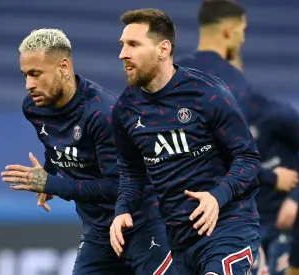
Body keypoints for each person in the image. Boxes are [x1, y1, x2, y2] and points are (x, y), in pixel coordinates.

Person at [1, 28, 174, 275]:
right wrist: (48, 172)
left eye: (36, 74)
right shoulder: (33, 108)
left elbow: (118, 186)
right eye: (25, 75)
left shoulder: (102, 114)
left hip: (142, 224)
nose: (29, 85)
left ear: (63, 67)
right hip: (97, 232)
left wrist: (53, 184)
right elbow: (55, 144)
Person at [109, 8, 261, 274]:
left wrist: (217, 196)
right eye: (122, 45)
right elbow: (132, 171)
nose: (123, 54)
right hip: (179, 240)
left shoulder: (208, 93)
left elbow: (248, 158)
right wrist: (122, 209)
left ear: (163, 49)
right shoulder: (125, 110)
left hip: (228, 227)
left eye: (133, 44)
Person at [175, 1, 299, 273]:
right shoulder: (229, 94)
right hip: (232, 222)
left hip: (280, 227)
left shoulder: (269, 111)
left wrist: (295, 198)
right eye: (243, 29)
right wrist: (273, 178)